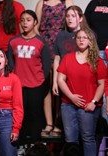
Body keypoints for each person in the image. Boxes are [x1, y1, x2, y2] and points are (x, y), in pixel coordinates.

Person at [57, 28, 107, 156]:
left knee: (87, 138)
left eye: (84, 37)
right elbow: (61, 80)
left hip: (88, 106)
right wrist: (71, 97)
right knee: (70, 139)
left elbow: (102, 84)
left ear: (90, 41)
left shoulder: (97, 61)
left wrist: (94, 102)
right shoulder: (68, 58)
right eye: (78, 37)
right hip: (68, 104)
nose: (81, 40)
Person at [7, 10, 51, 147]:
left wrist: (40, 81)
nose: (25, 23)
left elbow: (46, 65)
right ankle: (20, 146)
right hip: (18, 86)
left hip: (36, 86)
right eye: (23, 20)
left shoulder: (41, 42)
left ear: (35, 22)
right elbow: (10, 62)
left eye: (28, 20)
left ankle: (34, 146)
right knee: (20, 117)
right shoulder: (13, 41)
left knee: (35, 116)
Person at [35, 0, 73, 138]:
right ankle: (49, 123)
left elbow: (72, 22)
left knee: (59, 83)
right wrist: (38, 45)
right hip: (45, 43)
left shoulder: (66, 1)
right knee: (47, 84)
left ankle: (58, 122)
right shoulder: (41, 3)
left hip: (62, 43)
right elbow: (35, 26)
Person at [51, 5, 89, 137]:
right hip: (64, 77)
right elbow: (57, 58)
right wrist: (55, 82)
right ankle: (59, 125)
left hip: (81, 78)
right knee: (63, 105)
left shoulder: (86, 35)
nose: (70, 19)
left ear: (80, 18)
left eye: (73, 16)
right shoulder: (61, 35)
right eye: (67, 16)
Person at [85, 0, 108, 125]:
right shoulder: (92, 4)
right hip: (96, 51)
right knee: (100, 88)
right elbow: (85, 26)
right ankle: (102, 124)